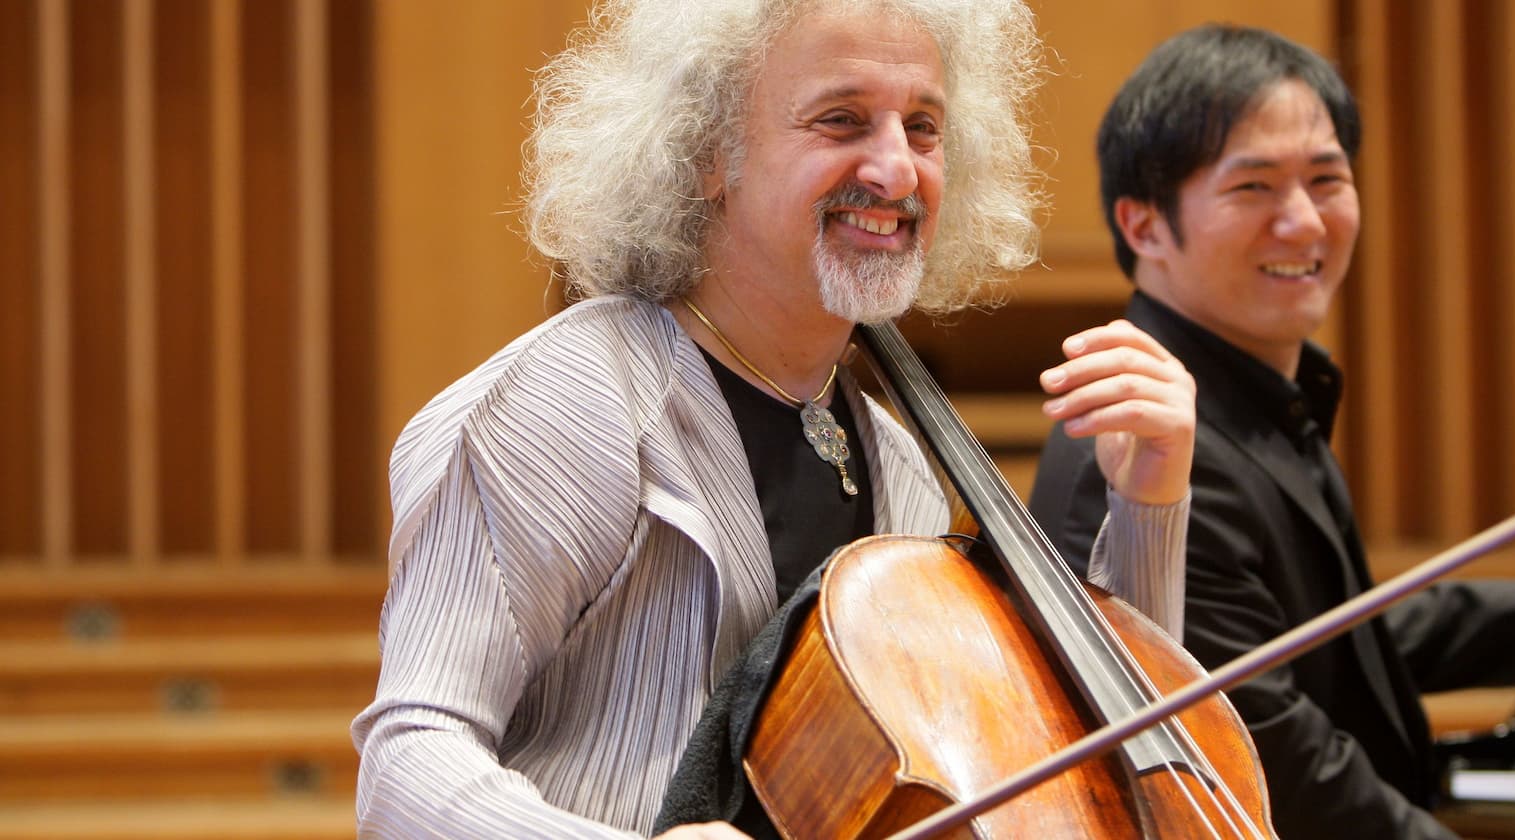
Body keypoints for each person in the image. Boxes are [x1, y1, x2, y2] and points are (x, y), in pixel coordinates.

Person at [349, 0, 1199, 837]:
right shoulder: (566, 408)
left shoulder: (898, 463)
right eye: (842, 120)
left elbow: (1098, 765)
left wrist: (1148, 503)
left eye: (925, 127)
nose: (899, 172)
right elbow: (407, 762)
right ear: (707, 156)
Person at [1028, 23, 1515, 840]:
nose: (1304, 223)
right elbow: (1268, 753)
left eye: (1327, 178)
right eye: (1253, 187)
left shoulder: (1258, 396)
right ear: (1145, 226)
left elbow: (1335, 642)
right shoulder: (1140, 446)